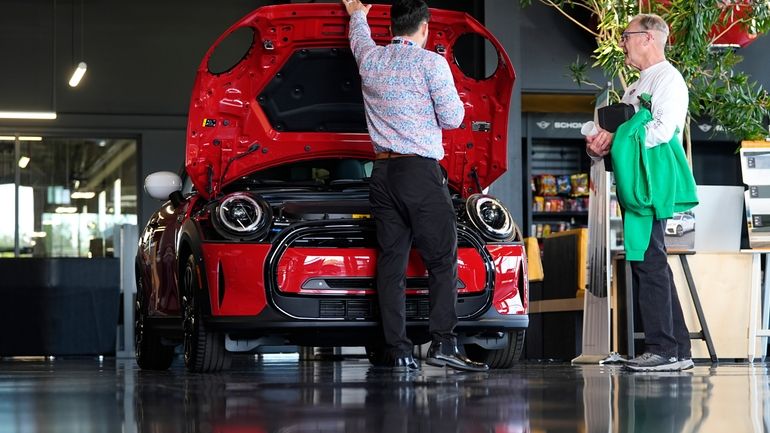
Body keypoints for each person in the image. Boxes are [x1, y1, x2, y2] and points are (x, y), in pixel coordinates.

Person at [342, 0, 488, 372]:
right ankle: (443, 344)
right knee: (441, 259)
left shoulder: (371, 59)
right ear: (424, 27)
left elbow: (359, 38)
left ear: (392, 26)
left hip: (381, 175)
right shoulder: (431, 63)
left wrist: (357, 13)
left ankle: (399, 350)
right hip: (419, 173)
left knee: (391, 263)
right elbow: (453, 118)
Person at [586, 14, 697, 372]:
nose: (623, 43)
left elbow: (662, 131)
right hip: (636, 181)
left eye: (627, 36)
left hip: (653, 180)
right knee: (650, 259)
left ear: (648, 38)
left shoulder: (668, 79)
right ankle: (677, 349)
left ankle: (662, 348)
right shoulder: (635, 86)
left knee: (649, 260)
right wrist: (601, 144)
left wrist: (617, 138)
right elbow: (627, 132)